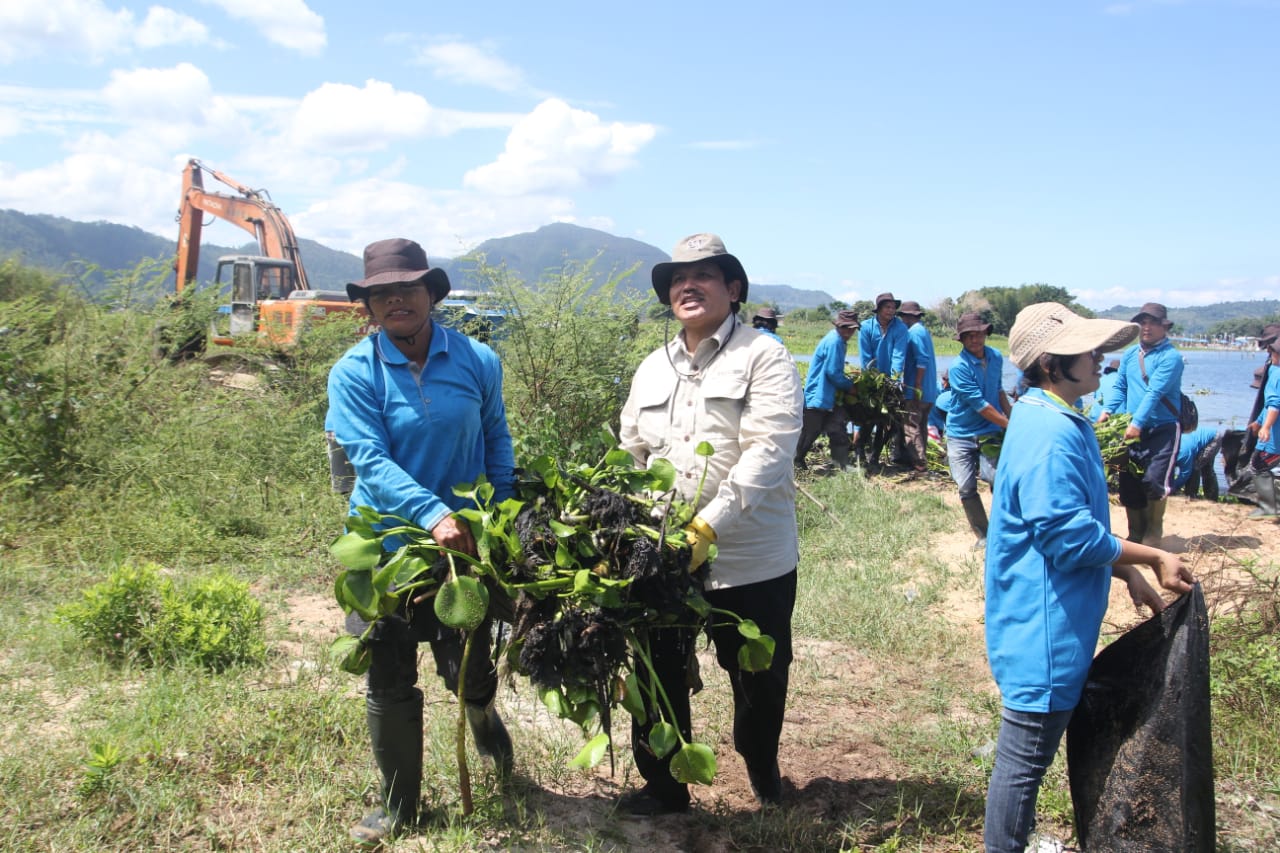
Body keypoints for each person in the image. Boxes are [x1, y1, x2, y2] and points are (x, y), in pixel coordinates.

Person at [326, 238, 517, 845]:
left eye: (407, 289)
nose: (395, 301)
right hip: (387, 546)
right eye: (382, 293)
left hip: (463, 545)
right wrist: (433, 514)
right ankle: (399, 805)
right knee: (388, 673)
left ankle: (483, 717)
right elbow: (371, 463)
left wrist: (504, 515)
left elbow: (496, 440)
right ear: (369, 307)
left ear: (431, 294)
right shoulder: (354, 372)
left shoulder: (476, 360)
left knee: (467, 666)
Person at [984, 302, 1194, 853]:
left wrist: (1127, 573)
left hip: (1046, 618)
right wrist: (1152, 556)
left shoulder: (1046, 414)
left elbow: (1076, 524)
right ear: (1053, 363)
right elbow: (1068, 537)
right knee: (1023, 761)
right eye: (1087, 350)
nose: (1099, 358)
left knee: (1026, 758)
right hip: (1043, 629)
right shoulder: (1050, 432)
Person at [618, 232, 802, 814]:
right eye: (677, 278)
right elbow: (630, 451)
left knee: (758, 674)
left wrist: (711, 525)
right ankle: (666, 785)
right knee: (655, 670)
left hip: (752, 555)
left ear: (733, 288)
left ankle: (760, 762)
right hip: (661, 552)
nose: (687, 286)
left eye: (703, 275)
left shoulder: (763, 355)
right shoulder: (651, 368)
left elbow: (770, 449)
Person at [1098, 302, 1185, 547]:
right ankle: (1135, 534)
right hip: (1130, 428)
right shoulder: (1129, 355)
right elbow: (1120, 387)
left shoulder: (1171, 357)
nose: (1146, 328)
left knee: (1154, 481)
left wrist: (1137, 422)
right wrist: (1107, 411)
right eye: (1143, 322)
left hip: (1163, 428)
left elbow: (1154, 393)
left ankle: (1153, 534)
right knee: (1129, 482)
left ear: (1164, 326)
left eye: (1152, 322)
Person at [946, 313, 1011, 549]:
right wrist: (1009, 425)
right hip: (960, 432)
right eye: (969, 336)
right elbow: (980, 405)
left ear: (986, 334)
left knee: (997, 478)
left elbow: (999, 391)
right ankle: (984, 535)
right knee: (965, 485)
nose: (975, 340)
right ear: (962, 340)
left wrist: (1012, 416)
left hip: (990, 430)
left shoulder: (995, 357)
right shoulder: (958, 368)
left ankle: (1006, 527)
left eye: (979, 334)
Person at [797, 309, 858, 470]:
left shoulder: (837, 340)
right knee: (811, 430)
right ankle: (796, 461)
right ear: (839, 326)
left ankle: (839, 463)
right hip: (818, 393)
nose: (849, 332)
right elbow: (832, 372)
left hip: (824, 394)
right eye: (846, 328)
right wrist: (849, 386)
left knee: (825, 428)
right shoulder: (835, 342)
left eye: (851, 329)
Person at [857, 292, 909, 470]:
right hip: (871, 379)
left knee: (887, 421)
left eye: (893, 307)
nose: (891, 310)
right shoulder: (865, 328)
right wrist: (872, 379)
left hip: (891, 381)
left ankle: (875, 456)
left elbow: (898, 355)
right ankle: (859, 452)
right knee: (867, 419)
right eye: (887, 307)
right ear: (878, 309)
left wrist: (893, 381)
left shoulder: (900, 328)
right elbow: (866, 357)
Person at [898, 300, 937, 472]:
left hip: (917, 390)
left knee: (911, 426)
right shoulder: (923, 331)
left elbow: (922, 360)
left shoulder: (914, 333)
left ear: (907, 317)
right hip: (929, 391)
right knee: (920, 426)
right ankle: (919, 459)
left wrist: (917, 385)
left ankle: (919, 462)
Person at [1247, 339, 1280, 520]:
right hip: (1271, 431)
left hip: (1274, 436)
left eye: (1276, 353)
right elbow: (1268, 405)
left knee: (1258, 466)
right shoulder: (1274, 369)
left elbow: (1275, 404)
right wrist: (1259, 422)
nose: (1272, 355)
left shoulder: (1277, 374)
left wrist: (1265, 427)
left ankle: (1269, 508)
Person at [1173, 425, 1224, 501]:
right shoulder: (1171, 451)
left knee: (1198, 467)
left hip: (1213, 439)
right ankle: (1199, 495)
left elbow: (1185, 473)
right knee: (1201, 467)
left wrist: (1174, 487)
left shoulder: (1183, 454)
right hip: (1197, 440)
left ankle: (1193, 494)